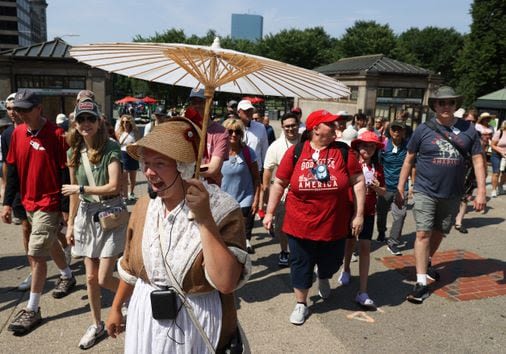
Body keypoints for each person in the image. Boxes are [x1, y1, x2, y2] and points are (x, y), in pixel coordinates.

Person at [105, 118, 251, 353]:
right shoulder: (144, 206)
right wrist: (115, 307)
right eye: (146, 163)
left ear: (184, 167)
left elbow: (226, 282)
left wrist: (204, 218)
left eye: (160, 163)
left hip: (195, 320)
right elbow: (131, 267)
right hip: (146, 314)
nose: (150, 173)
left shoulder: (222, 208)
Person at [263, 109, 365, 325]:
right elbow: (279, 182)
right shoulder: (297, 152)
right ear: (316, 128)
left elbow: (357, 181)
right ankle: (301, 303)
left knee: (332, 262)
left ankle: (325, 276)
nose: (336, 126)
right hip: (300, 223)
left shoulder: (343, 151)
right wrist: (270, 212)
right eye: (330, 123)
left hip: (334, 223)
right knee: (301, 263)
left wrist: (359, 214)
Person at [395, 86, 486, 304]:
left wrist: (481, 190)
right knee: (422, 233)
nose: (446, 106)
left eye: (450, 103)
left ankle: (425, 261)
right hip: (425, 189)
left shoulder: (469, 129)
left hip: (452, 192)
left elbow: (477, 160)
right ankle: (420, 282)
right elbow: (409, 159)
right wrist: (401, 187)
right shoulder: (423, 129)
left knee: (439, 231)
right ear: (434, 105)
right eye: (441, 103)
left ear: (455, 106)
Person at [1, 89, 76, 335]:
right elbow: (12, 169)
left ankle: (32, 308)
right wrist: (7, 202)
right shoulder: (16, 133)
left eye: (25, 109)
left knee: (35, 253)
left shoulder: (56, 135)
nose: (19, 114)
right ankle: (67, 274)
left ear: (39, 108)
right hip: (27, 201)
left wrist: (65, 209)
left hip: (49, 201)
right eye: (17, 110)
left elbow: (65, 172)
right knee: (50, 242)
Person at [61, 99, 126, 349]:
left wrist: (81, 187)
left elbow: (113, 185)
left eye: (90, 119)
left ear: (99, 122)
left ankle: (131, 296)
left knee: (102, 277)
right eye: (81, 120)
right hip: (86, 215)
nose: (86, 123)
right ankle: (97, 324)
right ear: (76, 125)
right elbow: (73, 194)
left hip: (110, 213)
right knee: (89, 278)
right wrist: (72, 225)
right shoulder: (73, 152)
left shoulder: (112, 147)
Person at [340, 131, 385, 309]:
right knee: (349, 242)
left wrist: (377, 187)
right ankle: (346, 268)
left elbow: (384, 191)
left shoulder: (378, 168)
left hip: (368, 212)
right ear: (358, 146)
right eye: (365, 145)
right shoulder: (350, 164)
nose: (368, 149)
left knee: (365, 247)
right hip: (350, 210)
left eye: (372, 146)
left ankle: (363, 291)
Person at [262, 112, 301, 266]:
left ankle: (301, 253)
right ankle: (284, 250)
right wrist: (266, 193)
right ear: (282, 127)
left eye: (293, 125)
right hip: (283, 193)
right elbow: (267, 170)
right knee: (282, 225)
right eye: (287, 126)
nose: (290, 129)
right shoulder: (276, 146)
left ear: (298, 125)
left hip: (304, 192)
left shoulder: (307, 142)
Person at [221, 118, 260, 254]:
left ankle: (241, 262)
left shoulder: (249, 153)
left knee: (240, 235)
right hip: (223, 201)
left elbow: (256, 178)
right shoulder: (218, 153)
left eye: (237, 132)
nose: (233, 134)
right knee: (225, 236)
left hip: (245, 199)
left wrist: (256, 200)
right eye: (229, 131)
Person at [376, 120, 410, 253]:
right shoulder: (383, 145)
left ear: (404, 132)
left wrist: (412, 185)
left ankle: (393, 242)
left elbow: (413, 166)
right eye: (394, 129)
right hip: (385, 186)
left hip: (401, 187)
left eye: (399, 129)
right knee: (382, 212)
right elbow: (378, 165)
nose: (396, 132)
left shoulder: (409, 147)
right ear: (389, 131)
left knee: (400, 215)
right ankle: (381, 233)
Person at [186, 88, 229, 186]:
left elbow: (213, 168)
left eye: (201, 102)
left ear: (210, 104)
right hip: (184, 188)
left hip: (209, 190)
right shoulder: (184, 128)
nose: (197, 106)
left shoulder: (221, 132)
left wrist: (184, 170)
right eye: (193, 102)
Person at [454, 110, 481, 233]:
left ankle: (459, 222)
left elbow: (481, 155)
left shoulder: (477, 134)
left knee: (465, 196)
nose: (471, 123)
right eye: (468, 120)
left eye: (473, 121)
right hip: (454, 167)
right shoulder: (454, 131)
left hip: (470, 168)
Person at [116, 115, 140, 201]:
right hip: (123, 154)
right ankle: (125, 196)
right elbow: (117, 144)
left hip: (133, 154)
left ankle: (132, 192)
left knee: (132, 177)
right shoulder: (119, 132)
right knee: (124, 176)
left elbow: (139, 143)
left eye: (127, 122)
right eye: (123, 122)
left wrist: (133, 145)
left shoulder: (135, 132)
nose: (125, 124)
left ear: (130, 123)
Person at [490, 119, 506, 197]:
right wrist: (501, 152)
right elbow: (492, 145)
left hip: (505, 156)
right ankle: (494, 190)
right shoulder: (500, 132)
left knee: (504, 173)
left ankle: (500, 186)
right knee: (496, 172)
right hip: (496, 154)